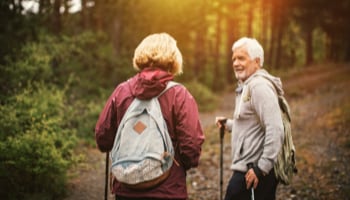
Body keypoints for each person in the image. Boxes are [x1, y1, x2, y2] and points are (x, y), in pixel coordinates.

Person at [95, 32, 205, 200]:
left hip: (126, 187)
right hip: (168, 189)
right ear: (173, 59)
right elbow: (191, 145)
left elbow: (103, 138)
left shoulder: (122, 91)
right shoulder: (179, 94)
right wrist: (183, 164)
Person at [215, 37, 284, 200]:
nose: (235, 63)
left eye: (241, 58)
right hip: (248, 168)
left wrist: (261, 168)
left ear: (257, 61)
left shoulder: (259, 86)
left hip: (254, 170)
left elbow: (276, 129)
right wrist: (230, 124)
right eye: (233, 59)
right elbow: (253, 123)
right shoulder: (247, 85)